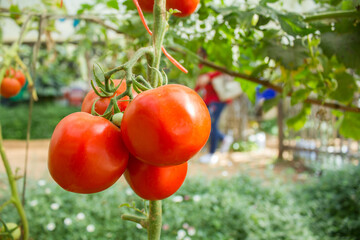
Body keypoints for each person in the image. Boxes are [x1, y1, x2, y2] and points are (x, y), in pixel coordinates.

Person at [195, 70, 234, 164]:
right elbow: (198, 85)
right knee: (210, 125)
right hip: (209, 101)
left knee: (212, 125)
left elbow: (222, 70)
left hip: (216, 101)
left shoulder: (212, 67)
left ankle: (211, 154)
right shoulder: (201, 67)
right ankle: (224, 138)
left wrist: (209, 76)